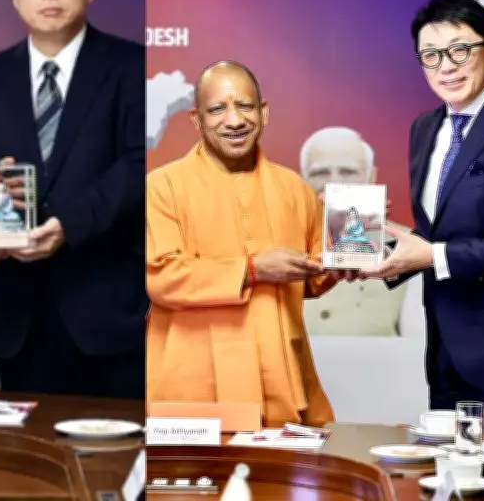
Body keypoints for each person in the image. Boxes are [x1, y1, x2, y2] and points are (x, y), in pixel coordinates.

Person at [0, 0, 145, 398]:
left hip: (110, 316)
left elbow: (141, 166)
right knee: (33, 444)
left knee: (120, 444)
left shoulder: (135, 68)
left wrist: (67, 226)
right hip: (20, 317)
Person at [361, 0, 484, 437]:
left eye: (460, 50)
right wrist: (381, 250)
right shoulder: (424, 128)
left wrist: (432, 256)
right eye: (431, 55)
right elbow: (437, 232)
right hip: (443, 353)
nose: (446, 66)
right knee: (448, 471)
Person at [147, 60, 355, 427]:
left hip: (282, 379)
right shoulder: (162, 186)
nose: (234, 120)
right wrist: (253, 269)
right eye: (217, 109)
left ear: (264, 112)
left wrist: (348, 249)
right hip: (194, 386)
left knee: (286, 465)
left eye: (244, 106)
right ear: (196, 119)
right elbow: (162, 277)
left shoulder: (294, 188)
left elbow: (310, 278)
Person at [300, 127, 410, 336]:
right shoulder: (275, 239)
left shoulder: (407, 244)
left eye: (348, 172)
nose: (333, 181)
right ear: (303, 180)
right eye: (319, 173)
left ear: (371, 177)